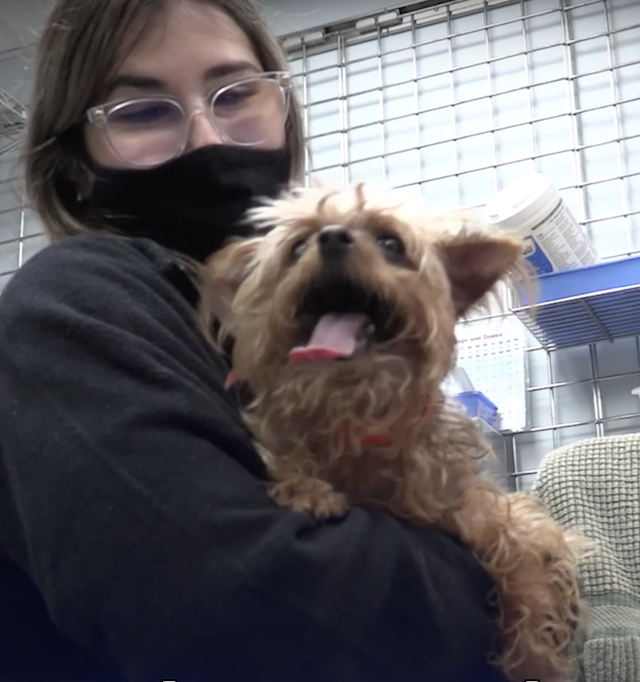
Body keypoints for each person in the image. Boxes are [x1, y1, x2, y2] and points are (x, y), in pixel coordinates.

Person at [0, 1, 507, 681]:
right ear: (75, 166)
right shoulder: (73, 302)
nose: (207, 137)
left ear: (284, 106)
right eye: (143, 111)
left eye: (237, 92)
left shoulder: (286, 327)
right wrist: (500, 582)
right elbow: (248, 609)